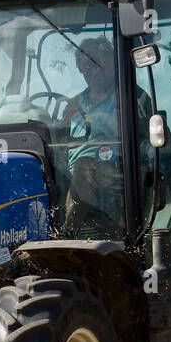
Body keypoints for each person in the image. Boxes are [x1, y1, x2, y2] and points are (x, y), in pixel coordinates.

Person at [62, 36, 123, 238]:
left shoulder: (130, 98)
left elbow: (145, 143)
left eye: (92, 64)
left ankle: (66, 235)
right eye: (83, 67)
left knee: (85, 167)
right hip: (74, 169)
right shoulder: (75, 103)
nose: (87, 71)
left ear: (109, 63)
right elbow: (60, 138)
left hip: (116, 167)